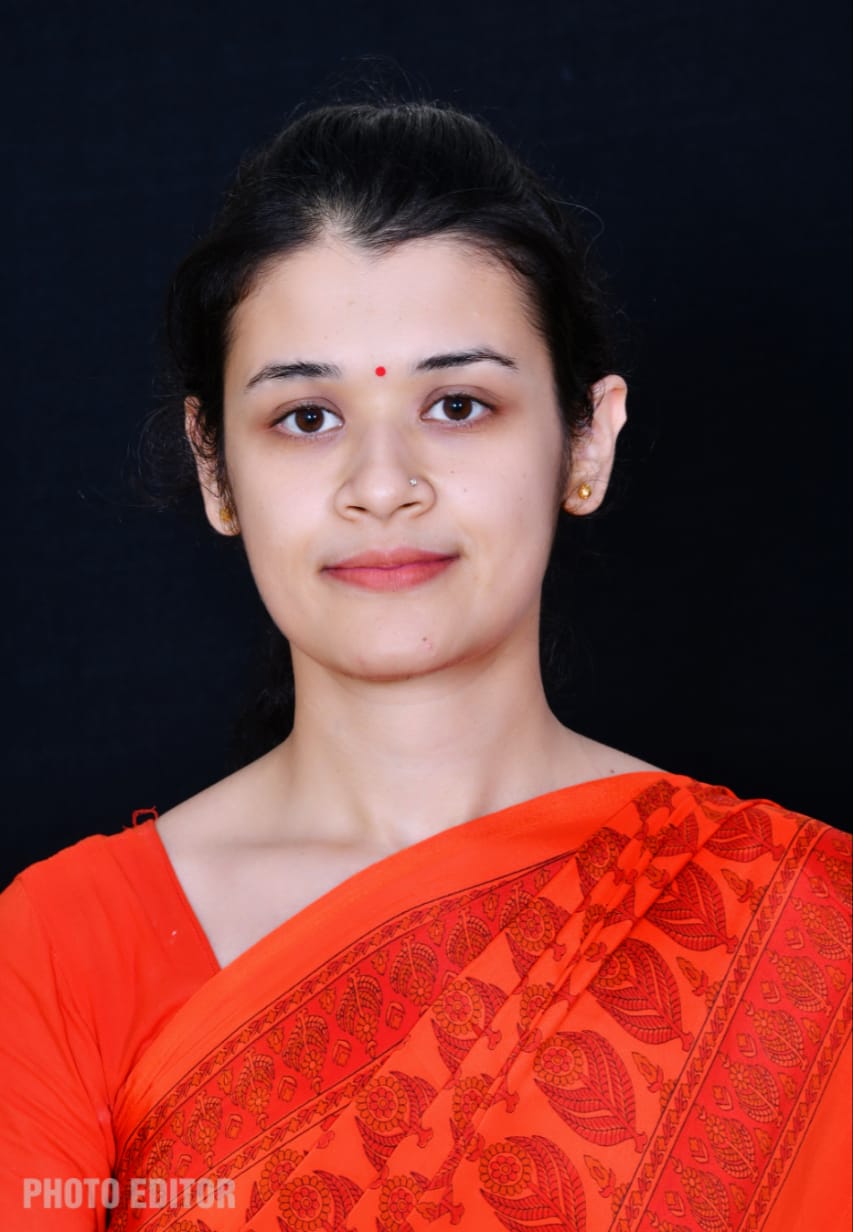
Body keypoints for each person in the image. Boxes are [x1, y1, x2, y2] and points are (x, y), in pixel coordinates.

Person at [1, 98, 850, 1232]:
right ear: (214, 466)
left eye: (457, 404)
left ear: (586, 439)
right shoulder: (61, 950)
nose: (381, 484)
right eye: (306, 417)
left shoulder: (807, 930)